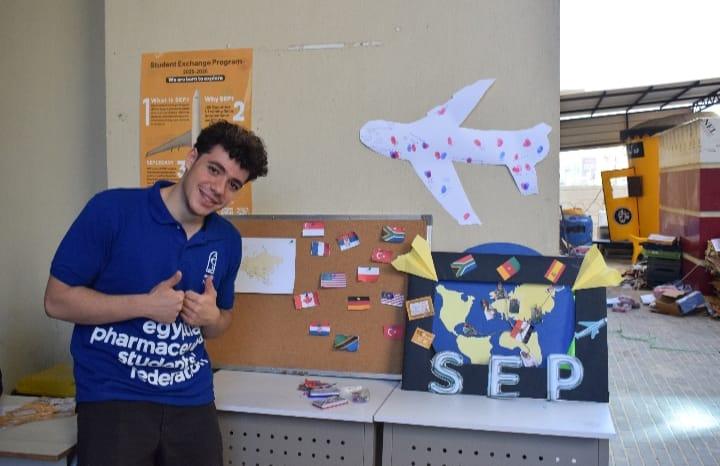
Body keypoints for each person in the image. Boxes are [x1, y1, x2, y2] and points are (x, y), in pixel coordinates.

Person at [44, 120, 268, 466]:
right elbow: (56, 301)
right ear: (191, 158)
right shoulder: (112, 211)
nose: (218, 189)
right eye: (214, 169)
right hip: (114, 395)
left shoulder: (227, 241)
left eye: (233, 184)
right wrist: (145, 305)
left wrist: (210, 317)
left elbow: (221, 321)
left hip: (191, 399)